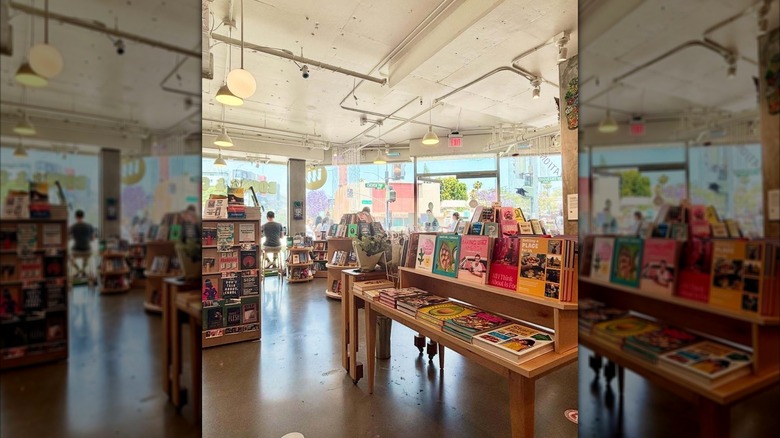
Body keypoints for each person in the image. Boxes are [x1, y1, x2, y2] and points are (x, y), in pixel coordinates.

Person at [69, 210, 95, 281]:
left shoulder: (72, 227)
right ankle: (83, 271)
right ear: (83, 216)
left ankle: (78, 270)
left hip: (76, 251)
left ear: (76, 217)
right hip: (87, 251)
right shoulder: (89, 226)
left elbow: (68, 237)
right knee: (86, 256)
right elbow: (93, 239)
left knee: (69, 256)